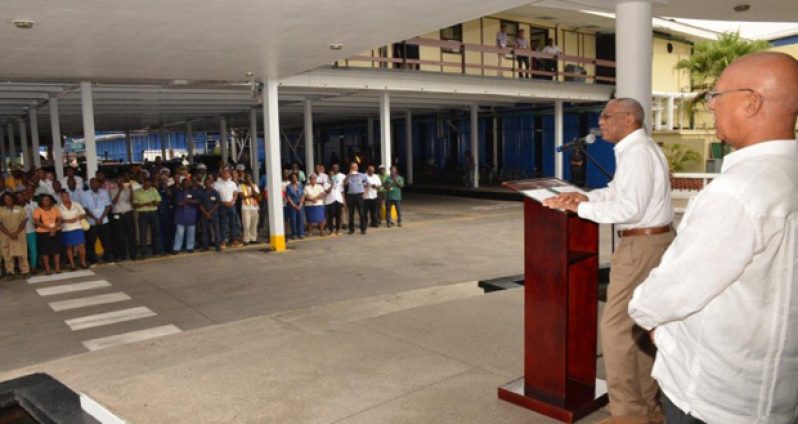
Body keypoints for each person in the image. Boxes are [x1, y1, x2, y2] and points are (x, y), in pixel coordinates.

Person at [629, 52, 798, 424]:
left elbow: (669, 293)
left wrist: (652, 322)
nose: (710, 106)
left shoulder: (737, 193)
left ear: (752, 102)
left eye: (717, 96)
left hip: (714, 398)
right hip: (777, 393)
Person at [543, 98, 673, 424]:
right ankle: (647, 410)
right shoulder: (636, 149)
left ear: (629, 119)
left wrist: (579, 209)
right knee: (637, 328)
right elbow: (617, 191)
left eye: (606, 116)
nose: (600, 122)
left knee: (615, 329)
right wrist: (586, 196)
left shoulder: (638, 152)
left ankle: (628, 414)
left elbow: (629, 209)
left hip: (641, 245)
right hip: (652, 241)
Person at [80, 178, 114, 264]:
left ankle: (108, 257)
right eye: (92, 183)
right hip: (92, 222)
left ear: (99, 184)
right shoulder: (84, 194)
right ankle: (93, 259)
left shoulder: (104, 192)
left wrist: (101, 218)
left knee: (106, 241)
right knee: (91, 242)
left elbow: (108, 206)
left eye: (95, 183)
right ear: (89, 185)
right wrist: (95, 219)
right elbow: (85, 209)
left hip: (104, 221)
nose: (94, 184)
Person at [0, 192, 29, 279]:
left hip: (19, 235)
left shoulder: (19, 209)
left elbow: (24, 221)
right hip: (6, 236)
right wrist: (9, 234)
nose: (8, 200)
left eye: (9, 198)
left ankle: (25, 271)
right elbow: (0, 224)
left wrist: (16, 232)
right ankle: (10, 272)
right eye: (6, 199)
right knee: (7, 254)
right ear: (3, 200)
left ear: (13, 199)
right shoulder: (1, 210)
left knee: (22, 253)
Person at [57, 190, 88, 270]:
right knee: (69, 247)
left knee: (81, 246)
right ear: (61, 198)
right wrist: (67, 221)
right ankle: (72, 264)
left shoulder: (76, 204)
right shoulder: (58, 207)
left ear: (69, 196)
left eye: (67, 196)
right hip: (66, 229)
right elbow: (57, 220)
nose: (65, 198)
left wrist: (77, 218)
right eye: (63, 196)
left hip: (78, 227)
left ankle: (83, 262)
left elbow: (84, 214)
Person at [133, 178, 164, 257]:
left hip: (153, 213)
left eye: (150, 183)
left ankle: (157, 251)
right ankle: (144, 252)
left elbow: (157, 201)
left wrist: (145, 203)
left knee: (156, 232)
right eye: (147, 183)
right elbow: (135, 205)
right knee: (143, 233)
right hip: (143, 214)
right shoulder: (137, 192)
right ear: (143, 182)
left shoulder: (153, 190)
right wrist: (147, 204)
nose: (148, 185)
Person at [109, 176, 137, 261]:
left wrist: (131, 190)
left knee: (131, 234)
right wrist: (120, 190)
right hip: (118, 215)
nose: (121, 183)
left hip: (128, 213)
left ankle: (133, 254)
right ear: (116, 183)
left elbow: (131, 200)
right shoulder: (112, 190)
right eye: (119, 181)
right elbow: (113, 201)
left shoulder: (128, 190)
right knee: (120, 235)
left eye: (122, 181)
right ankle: (122, 255)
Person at [33, 193, 61, 275]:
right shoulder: (37, 210)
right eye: (45, 200)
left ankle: (57, 268)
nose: (47, 201)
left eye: (48, 200)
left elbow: (59, 220)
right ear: (41, 201)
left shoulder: (55, 209)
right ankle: (48, 269)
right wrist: (50, 229)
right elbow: (37, 222)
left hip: (56, 231)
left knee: (57, 250)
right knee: (45, 251)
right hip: (43, 233)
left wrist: (54, 229)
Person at [213, 169, 241, 248]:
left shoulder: (232, 183)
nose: (226, 174)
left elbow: (235, 194)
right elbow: (215, 196)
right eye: (224, 173)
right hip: (222, 206)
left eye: (227, 173)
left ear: (229, 174)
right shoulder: (216, 184)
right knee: (223, 224)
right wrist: (223, 202)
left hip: (232, 206)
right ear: (221, 174)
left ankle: (234, 240)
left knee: (233, 224)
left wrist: (232, 201)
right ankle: (223, 242)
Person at [172, 178, 199, 254]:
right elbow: (178, 203)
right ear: (182, 184)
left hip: (191, 215)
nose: (186, 184)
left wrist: (187, 201)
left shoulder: (193, 192)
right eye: (185, 183)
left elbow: (197, 201)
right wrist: (189, 202)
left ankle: (190, 247)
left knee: (191, 233)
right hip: (180, 215)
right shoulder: (178, 192)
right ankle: (177, 248)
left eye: (188, 183)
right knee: (179, 233)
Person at [343, 162, 368, 235]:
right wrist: (348, 175)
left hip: (359, 195)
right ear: (350, 168)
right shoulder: (348, 176)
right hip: (350, 196)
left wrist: (365, 192)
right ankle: (351, 229)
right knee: (351, 213)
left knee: (361, 213)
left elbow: (367, 184)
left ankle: (363, 229)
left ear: (357, 168)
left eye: (355, 167)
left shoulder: (362, 175)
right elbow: (344, 184)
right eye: (352, 167)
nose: (353, 168)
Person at [198, 177, 222, 252]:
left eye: (209, 183)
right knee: (204, 231)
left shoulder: (215, 192)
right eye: (206, 183)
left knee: (216, 230)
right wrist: (205, 213)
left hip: (214, 214)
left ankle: (218, 246)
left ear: (211, 184)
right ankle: (205, 246)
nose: (208, 184)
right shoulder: (201, 192)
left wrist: (210, 212)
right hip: (204, 214)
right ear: (204, 184)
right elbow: (200, 204)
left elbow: (218, 203)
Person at [239, 173, 260, 244]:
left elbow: (257, 196)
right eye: (247, 177)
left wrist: (251, 186)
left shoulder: (254, 186)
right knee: (246, 224)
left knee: (254, 224)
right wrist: (251, 195)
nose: (248, 179)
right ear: (244, 179)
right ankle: (246, 239)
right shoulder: (241, 186)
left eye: (250, 177)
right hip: (245, 208)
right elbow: (242, 197)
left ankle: (253, 238)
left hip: (254, 207)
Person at [325, 164, 345, 235]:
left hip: (338, 200)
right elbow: (328, 191)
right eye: (330, 174)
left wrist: (343, 200)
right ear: (328, 175)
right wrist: (332, 184)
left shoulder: (337, 181)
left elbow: (341, 190)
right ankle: (331, 230)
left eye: (333, 175)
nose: (332, 176)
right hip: (330, 201)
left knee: (338, 216)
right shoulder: (326, 182)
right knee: (330, 216)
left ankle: (338, 230)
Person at [21, 189, 37, 273]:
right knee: (23, 251)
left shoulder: (32, 205)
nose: (23, 197)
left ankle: (33, 266)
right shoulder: (16, 208)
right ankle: (24, 267)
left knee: (33, 250)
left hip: (31, 231)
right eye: (21, 195)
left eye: (25, 194)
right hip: (20, 233)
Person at [285, 173, 305, 239]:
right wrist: (293, 205)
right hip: (292, 205)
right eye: (293, 177)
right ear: (290, 179)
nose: (294, 178)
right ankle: (294, 234)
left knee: (300, 219)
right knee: (293, 220)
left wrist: (301, 204)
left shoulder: (300, 186)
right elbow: (288, 197)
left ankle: (301, 233)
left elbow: (302, 195)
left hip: (300, 204)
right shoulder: (288, 186)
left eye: (295, 177)